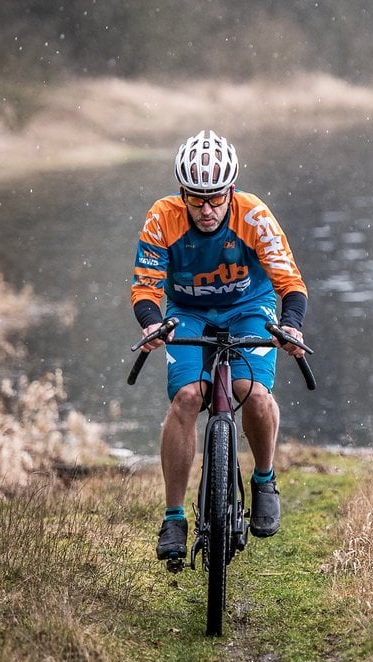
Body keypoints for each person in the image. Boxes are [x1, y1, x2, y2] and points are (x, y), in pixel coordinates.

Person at [131, 130, 308, 560]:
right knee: (189, 397)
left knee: (255, 394)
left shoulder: (254, 215)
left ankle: (264, 479)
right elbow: (145, 288)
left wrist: (292, 327)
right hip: (187, 311)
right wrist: (153, 325)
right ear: (182, 193)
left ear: (231, 191)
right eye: (196, 199)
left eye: (216, 198)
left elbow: (290, 283)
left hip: (250, 305)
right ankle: (174, 516)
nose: (207, 209)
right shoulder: (161, 218)